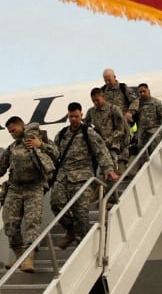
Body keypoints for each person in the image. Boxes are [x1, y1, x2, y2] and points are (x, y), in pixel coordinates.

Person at [0, 116, 57, 273]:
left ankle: (29, 258)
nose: (12, 134)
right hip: (15, 188)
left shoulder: (37, 139)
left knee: (32, 222)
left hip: (34, 187)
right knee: (9, 223)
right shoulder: (12, 147)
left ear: (21, 126)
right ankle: (19, 253)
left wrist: (40, 145)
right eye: (10, 132)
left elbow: (56, 153)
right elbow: (0, 167)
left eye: (13, 130)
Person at [50, 102, 119, 248]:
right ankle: (71, 230)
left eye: (76, 116)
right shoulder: (62, 134)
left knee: (81, 213)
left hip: (82, 177)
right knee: (56, 203)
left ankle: (84, 246)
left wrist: (108, 169)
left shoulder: (88, 132)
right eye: (71, 116)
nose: (74, 119)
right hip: (63, 176)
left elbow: (101, 151)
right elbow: (54, 154)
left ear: (81, 115)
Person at [84, 87, 130, 174]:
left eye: (97, 100)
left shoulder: (114, 109)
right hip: (100, 144)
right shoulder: (91, 112)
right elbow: (86, 126)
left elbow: (121, 129)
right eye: (93, 101)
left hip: (113, 144)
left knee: (111, 166)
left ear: (103, 97)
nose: (95, 103)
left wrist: (110, 139)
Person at [134, 83, 162, 151]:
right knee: (141, 149)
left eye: (144, 91)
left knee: (154, 149)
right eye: (140, 92)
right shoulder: (137, 103)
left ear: (148, 90)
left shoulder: (156, 102)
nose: (142, 93)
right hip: (143, 131)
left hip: (154, 131)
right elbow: (136, 118)